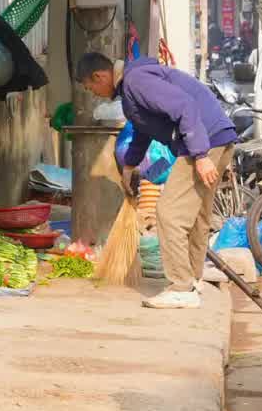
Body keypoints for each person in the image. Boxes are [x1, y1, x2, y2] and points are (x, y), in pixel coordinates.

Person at [75, 52, 238, 310]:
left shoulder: (136, 81)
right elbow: (143, 129)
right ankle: (193, 279)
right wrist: (129, 165)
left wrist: (200, 155)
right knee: (196, 215)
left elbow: (185, 107)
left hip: (205, 140)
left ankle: (182, 288)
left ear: (100, 76)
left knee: (169, 213)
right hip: (216, 137)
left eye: (90, 87)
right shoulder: (132, 88)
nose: (93, 93)